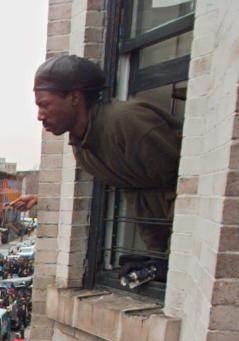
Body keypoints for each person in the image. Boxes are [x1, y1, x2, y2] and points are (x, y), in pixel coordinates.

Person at [14, 54, 182, 284]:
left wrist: (179, 256)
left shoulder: (127, 122)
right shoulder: (82, 145)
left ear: (74, 98)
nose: (40, 116)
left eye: (45, 104)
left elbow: (190, 186)